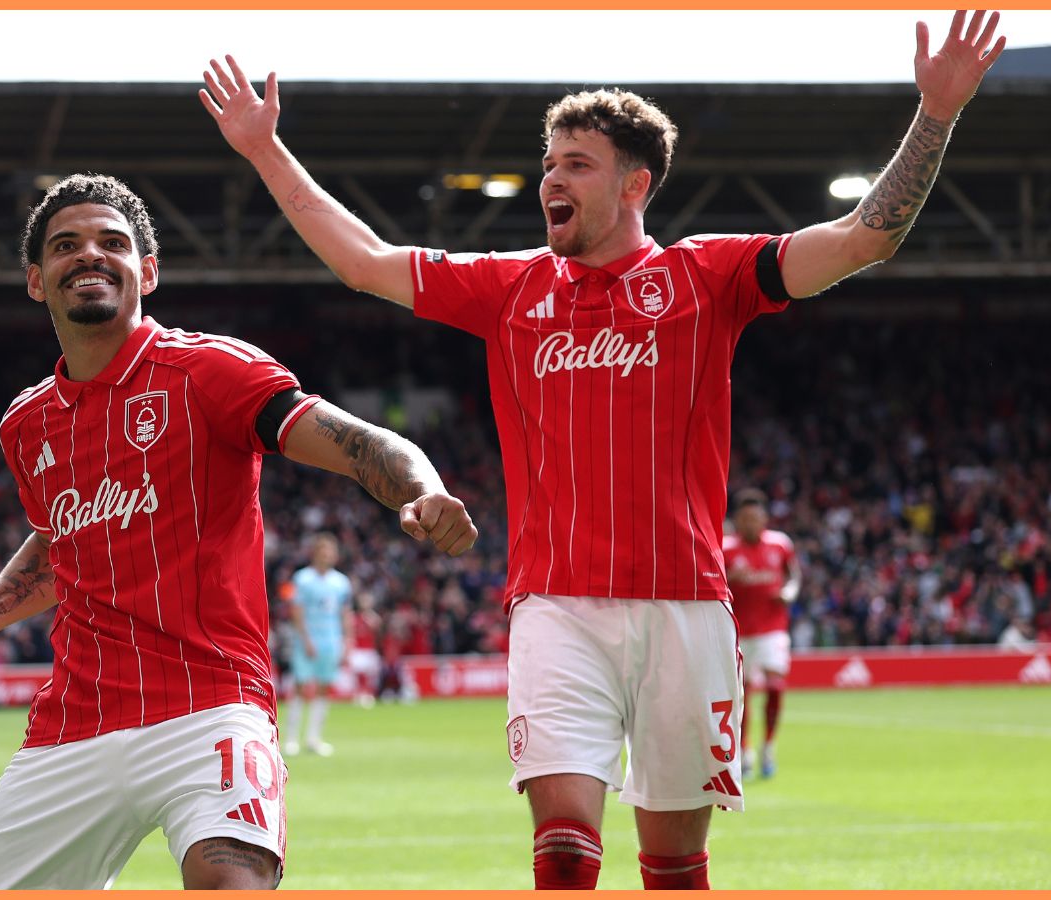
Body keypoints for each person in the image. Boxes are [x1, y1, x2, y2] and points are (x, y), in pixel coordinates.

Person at [202, 10, 1005, 889]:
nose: (551, 177)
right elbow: (363, 260)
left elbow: (862, 239)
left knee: (672, 867)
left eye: (574, 164)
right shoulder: (509, 287)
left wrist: (937, 112)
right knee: (563, 850)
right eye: (547, 163)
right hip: (556, 608)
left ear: (634, 184)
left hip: (684, 609)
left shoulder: (710, 276)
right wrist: (263, 150)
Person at [0, 173, 477, 890]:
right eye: (66, 246)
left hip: (211, 705)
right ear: (35, 279)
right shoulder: (25, 424)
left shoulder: (208, 371)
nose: (89, 255)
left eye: (111, 242)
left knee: (229, 878)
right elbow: (63, 541)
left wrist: (424, 490)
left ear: (146, 270)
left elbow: (360, 441)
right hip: (73, 724)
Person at [722, 489, 801, 780]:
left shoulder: (780, 544)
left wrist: (789, 592)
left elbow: (794, 575)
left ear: (764, 519)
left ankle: (769, 746)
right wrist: (731, 580)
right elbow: (713, 586)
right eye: (745, 519)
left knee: (775, 685)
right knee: (741, 694)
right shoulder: (726, 549)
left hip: (772, 629)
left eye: (755, 518)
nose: (750, 523)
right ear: (737, 521)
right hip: (738, 631)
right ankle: (744, 751)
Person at [282, 532, 353, 756]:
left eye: (330, 552)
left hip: (330, 641)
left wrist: (348, 639)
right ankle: (291, 739)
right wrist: (306, 639)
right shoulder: (302, 579)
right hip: (307, 640)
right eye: (323, 551)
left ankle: (314, 738)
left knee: (324, 688)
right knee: (301, 686)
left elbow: (345, 613)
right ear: (315, 553)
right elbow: (296, 611)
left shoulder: (341, 582)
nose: (327, 555)